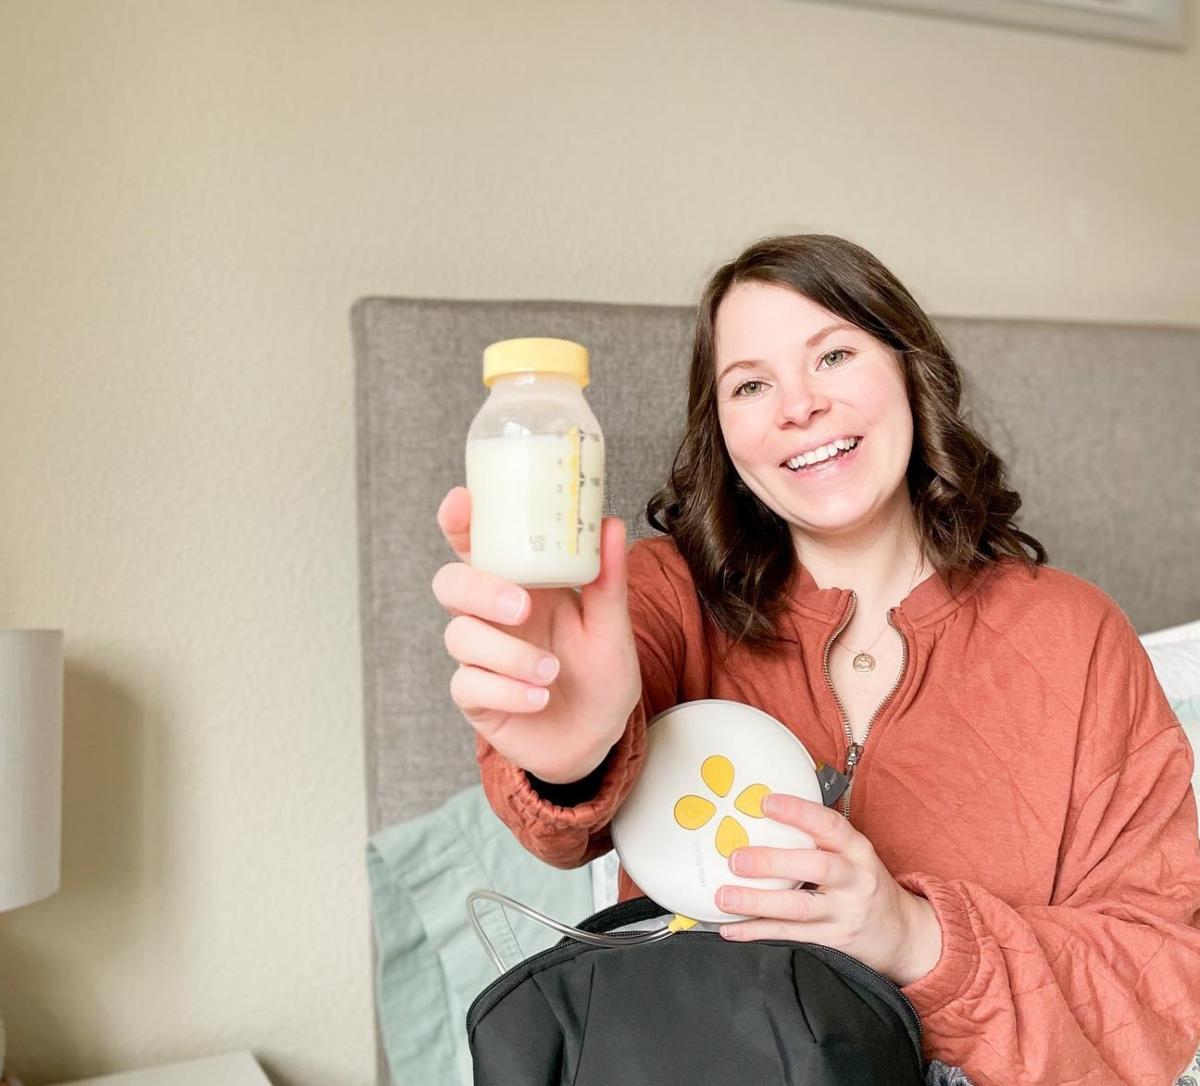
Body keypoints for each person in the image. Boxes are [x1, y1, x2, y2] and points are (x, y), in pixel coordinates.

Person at [430, 233, 1200, 1084]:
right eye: (752, 384)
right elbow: (554, 780)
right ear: (724, 431)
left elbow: (1162, 986)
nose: (798, 407)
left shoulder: (1074, 637)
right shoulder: (658, 599)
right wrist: (574, 761)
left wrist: (914, 936)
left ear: (912, 373)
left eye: (833, 354)